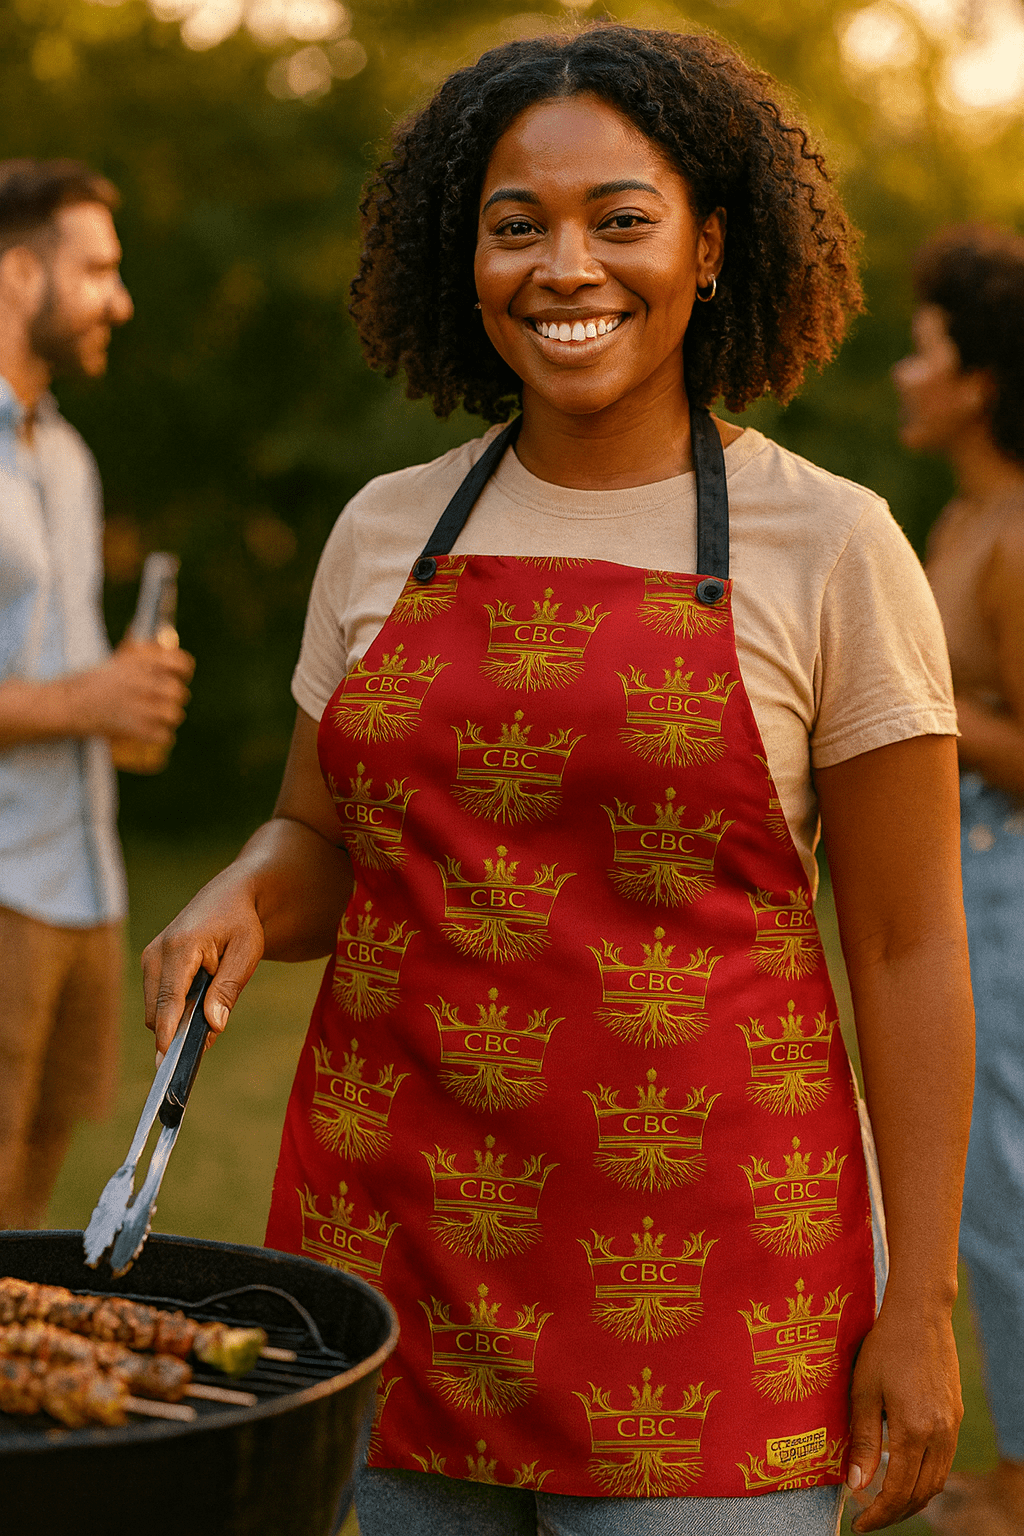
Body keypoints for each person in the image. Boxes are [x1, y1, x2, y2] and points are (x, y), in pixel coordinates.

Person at [145, 26, 973, 1536]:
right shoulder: (383, 531)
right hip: (391, 1255)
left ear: (711, 246)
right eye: (516, 226)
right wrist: (243, 891)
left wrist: (917, 1303)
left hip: (717, 1297)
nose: (564, 267)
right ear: (465, 259)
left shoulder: (833, 545)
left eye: (621, 220)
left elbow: (910, 949)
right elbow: (317, 836)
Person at [0, 159, 193, 1230]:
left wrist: (124, 701)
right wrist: (92, 698)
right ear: (19, 275)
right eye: (98, 271)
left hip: (83, 882)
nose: (120, 299)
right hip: (1, 884)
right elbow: (68, 692)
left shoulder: (65, 456)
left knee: (30, 1187)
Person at [892, 224, 1024, 1536]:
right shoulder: (964, 515)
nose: (903, 373)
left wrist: (914, 699)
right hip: (962, 858)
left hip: (1008, 883)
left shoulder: (1023, 532)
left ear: (981, 377)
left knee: (1005, 1190)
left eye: (924, 349)